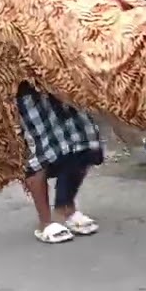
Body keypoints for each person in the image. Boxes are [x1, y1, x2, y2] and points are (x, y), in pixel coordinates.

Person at [16, 83, 105, 244]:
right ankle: (45, 223)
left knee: (84, 141)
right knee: (39, 151)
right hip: (23, 91)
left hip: (59, 82)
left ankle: (66, 208)